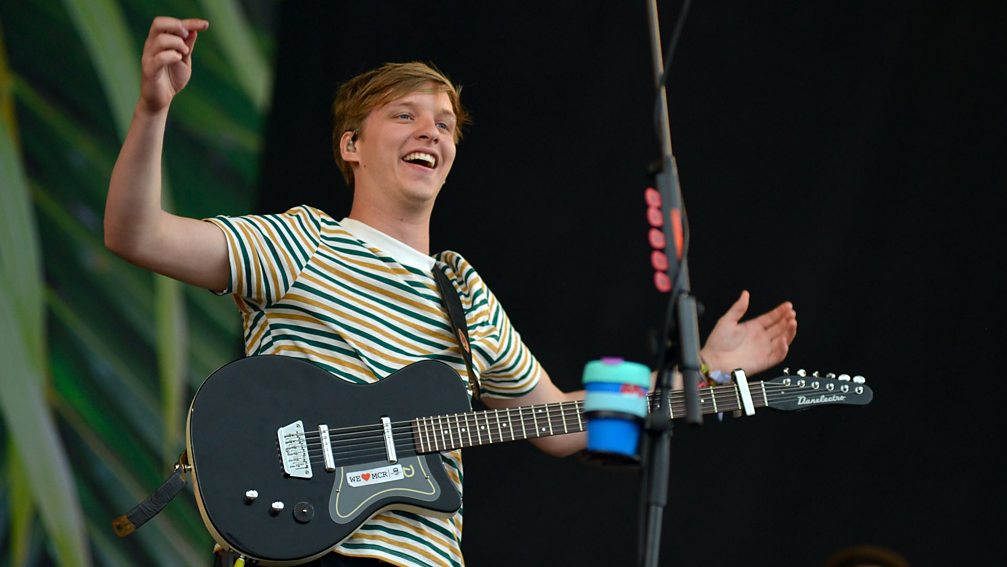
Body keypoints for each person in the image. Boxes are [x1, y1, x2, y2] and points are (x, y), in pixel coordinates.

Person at [105, 16, 799, 567]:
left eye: (443, 124)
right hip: (302, 544)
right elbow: (137, 233)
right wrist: (152, 108)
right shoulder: (303, 240)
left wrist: (703, 372)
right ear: (351, 145)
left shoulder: (464, 291)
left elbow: (562, 422)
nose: (430, 132)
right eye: (404, 115)